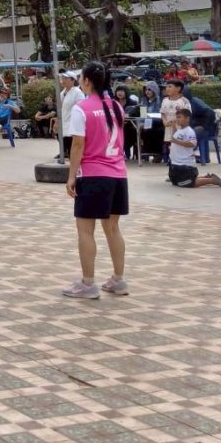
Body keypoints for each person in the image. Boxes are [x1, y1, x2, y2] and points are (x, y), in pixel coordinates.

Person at [62, 61, 130, 300]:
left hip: (93, 175)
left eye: (81, 77)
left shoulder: (82, 108)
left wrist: (71, 176)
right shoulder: (116, 106)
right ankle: (118, 280)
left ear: (87, 81)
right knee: (112, 228)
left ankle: (88, 283)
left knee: (85, 230)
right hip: (118, 174)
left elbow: (78, 145)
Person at [167, 108, 221, 188]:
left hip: (185, 166)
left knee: (186, 183)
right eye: (177, 117)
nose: (177, 119)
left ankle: (212, 180)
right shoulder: (179, 130)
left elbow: (192, 144)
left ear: (187, 118)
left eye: (179, 117)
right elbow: (175, 138)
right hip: (175, 164)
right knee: (176, 182)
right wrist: (173, 127)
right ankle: (206, 177)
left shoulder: (189, 131)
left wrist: (176, 141)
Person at [159, 80, 190, 164]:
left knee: (179, 144)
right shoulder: (165, 100)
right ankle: (170, 160)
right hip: (168, 127)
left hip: (180, 129)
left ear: (178, 88)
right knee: (169, 144)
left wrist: (176, 121)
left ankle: (180, 161)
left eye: (170, 87)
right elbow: (163, 113)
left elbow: (187, 115)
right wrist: (164, 121)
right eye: (167, 87)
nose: (167, 89)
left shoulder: (184, 101)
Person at [59, 73, 86, 163]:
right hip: (64, 124)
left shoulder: (77, 92)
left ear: (73, 80)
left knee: (73, 150)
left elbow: (82, 108)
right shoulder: (62, 93)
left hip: (73, 125)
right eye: (62, 78)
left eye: (66, 78)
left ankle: (76, 167)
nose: (63, 80)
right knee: (66, 148)